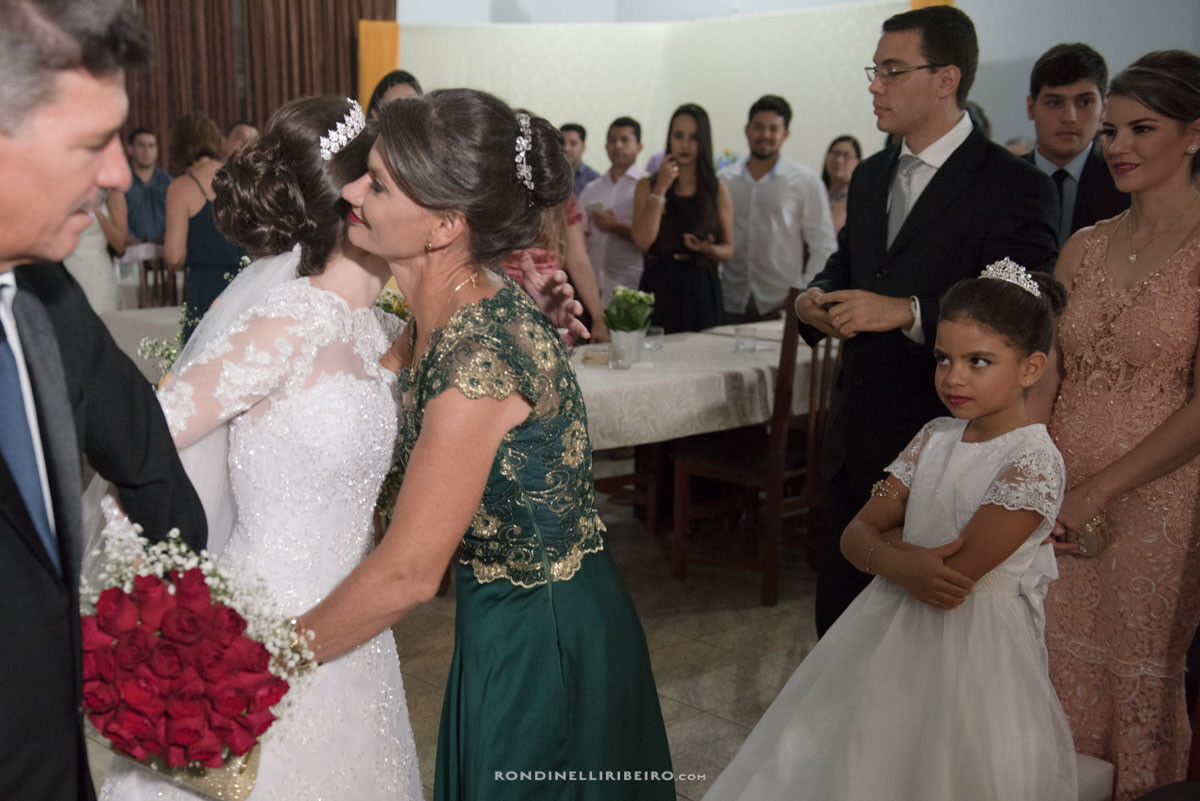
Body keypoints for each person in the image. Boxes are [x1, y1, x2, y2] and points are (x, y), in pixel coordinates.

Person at [296, 88, 674, 801]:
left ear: (444, 225)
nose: (351, 192)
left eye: (377, 184)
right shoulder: (449, 308)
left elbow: (410, 574)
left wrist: (260, 660)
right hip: (508, 616)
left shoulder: (479, 361)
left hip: (543, 637)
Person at [98, 95, 425, 801]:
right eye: (384, 182)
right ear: (351, 202)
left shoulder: (373, 329)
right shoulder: (286, 324)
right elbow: (141, 443)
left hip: (356, 634)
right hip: (256, 632)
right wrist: (162, 596)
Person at [704, 263, 1076, 801]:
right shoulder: (933, 436)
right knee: (860, 755)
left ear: (1031, 367)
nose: (954, 378)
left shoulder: (1033, 462)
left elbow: (950, 578)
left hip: (972, 654)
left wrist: (885, 549)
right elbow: (855, 531)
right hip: (887, 629)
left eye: (978, 361)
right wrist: (894, 554)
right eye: (943, 359)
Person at [795, 5, 1059, 635]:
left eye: (892, 71)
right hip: (857, 431)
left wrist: (910, 311)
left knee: (922, 634)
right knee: (840, 627)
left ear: (946, 78)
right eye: (875, 71)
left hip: (953, 439)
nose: (875, 86)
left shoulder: (1014, 185)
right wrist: (814, 296)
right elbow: (848, 263)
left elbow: (1027, 304)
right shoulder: (870, 175)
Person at [0, 1, 207, 798]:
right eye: (93, 144)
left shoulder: (48, 298)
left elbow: (143, 446)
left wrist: (183, 612)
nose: (119, 173)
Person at [1029, 50, 1200, 801]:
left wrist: (1097, 490)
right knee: (1049, 658)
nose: (1118, 146)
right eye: (1113, 131)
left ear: (1194, 134)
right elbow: (1046, 372)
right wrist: (1032, 476)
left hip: (1159, 503)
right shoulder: (1084, 245)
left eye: (1142, 129)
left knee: (1136, 672)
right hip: (1060, 489)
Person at [720, 95, 837, 323]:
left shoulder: (805, 181)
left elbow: (823, 245)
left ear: (786, 134)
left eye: (773, 129)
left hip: (780, 303)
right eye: (758, 127)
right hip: (729, 298)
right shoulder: (725, 180)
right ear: (747, 130)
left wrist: (803, 291)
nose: (765, 135)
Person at [632, 103, 733, 333]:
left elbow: (729, 248)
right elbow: (642, 241)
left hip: (701, 286)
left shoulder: (716, 188)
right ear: (670, 138)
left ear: (703, 140)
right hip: (659, 283)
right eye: (678, 136)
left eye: (694, 137)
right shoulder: (648, 184)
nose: (685, 144)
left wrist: (707, 249)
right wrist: (661, 187)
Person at [1023, 43, 1130, 246]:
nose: (1069, 117)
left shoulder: (1126, 185)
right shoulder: (999, 181)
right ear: (1031, 107)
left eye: (1084, 102)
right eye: (1054, 102)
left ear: (1104, 109)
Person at [163, 111, 245, 339]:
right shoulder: (242, 178)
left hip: (206, 287)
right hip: (247, 284)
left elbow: (174, 256)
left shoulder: (182, 187)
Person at [503, 193, 611, 342]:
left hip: (552, 299)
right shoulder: (494, 191)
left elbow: (578, 259)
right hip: (503, 294)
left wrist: (598, 317)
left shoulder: (561, 195)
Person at [579, 116, 646, 301]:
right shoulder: (592, 189)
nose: (617, 146)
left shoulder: (647, 186)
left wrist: (616, 227)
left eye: (625, 140)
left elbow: (650, 241)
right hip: (592, 284)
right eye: (612, 140)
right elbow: (581, 236)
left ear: (639, 147)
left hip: (630, 286)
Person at [63, 187, 126, 313]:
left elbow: (120, 245)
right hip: (68, 269)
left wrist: (97, 210)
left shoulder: (112, 193)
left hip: (98, 271)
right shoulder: (66, 188)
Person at [123, 127, 170, 243]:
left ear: (157, 150)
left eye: (151, 146)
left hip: (165, 249)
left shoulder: (169, 183)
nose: (146, 150)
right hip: (128, 249)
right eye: (141, 145)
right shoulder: (121, 183)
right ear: (130, 149)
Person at [821, 135, 861, 234]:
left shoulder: (858, 200)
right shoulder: (813, 192)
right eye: (835, 153)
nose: (839, 160)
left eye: (847, 156)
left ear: (857, 162)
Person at [561, 122, 601, 197]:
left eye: (573, 143)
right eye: (562, 143)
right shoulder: (549, 174)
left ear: (583, 147)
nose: (566, 148)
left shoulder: (594, 180)